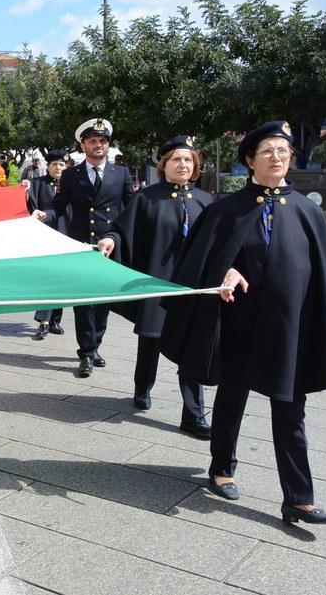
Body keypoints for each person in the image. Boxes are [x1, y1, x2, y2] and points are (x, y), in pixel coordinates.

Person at [161, 121, 326, 525]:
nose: (277, 157)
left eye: (284, 151)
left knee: (290, 410)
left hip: (289, 330)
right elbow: (202, 264)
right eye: (268, 151)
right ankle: (221, 469)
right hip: (238, 325)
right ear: (250, 159)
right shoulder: (225, 210)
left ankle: (299, 498)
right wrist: (227, 272)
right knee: (232, 400)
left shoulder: (307, 211)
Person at [96, 136, 214, 438]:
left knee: (191, 348)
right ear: (164, 165)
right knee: (150, 341)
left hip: (192, 289)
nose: (183, 165)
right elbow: (122, 230)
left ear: (196, 166)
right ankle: (142, 388)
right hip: (155, 283)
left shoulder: (205, 201)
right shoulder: (146, 198)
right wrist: (111, 240)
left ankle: (194, 414)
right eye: (176, 159)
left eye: (188, 160)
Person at [37, 118, 133, 377]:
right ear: (83, 145)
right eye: (93, 141)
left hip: (110, 246)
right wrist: (45, 214)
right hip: (81, 244)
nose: (98, 145)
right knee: (83, 303)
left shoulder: (121, 173)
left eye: (102, 141)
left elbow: (131, 207)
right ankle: (86, 352)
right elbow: (59, 205)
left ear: (108, 145)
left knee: (103, 302)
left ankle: (96, 344)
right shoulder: (71, 174)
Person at [26, 150, 70, 340]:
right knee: (46, 278)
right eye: (54, 165)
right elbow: (28, 207)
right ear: (48, 166)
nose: (58, 168)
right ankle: (44, 321)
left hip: (66, 235)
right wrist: (24, 190)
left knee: (61, 278)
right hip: (44, 237)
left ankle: (55, 320)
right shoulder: (37, 184)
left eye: (61, 165)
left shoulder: (71, 185)